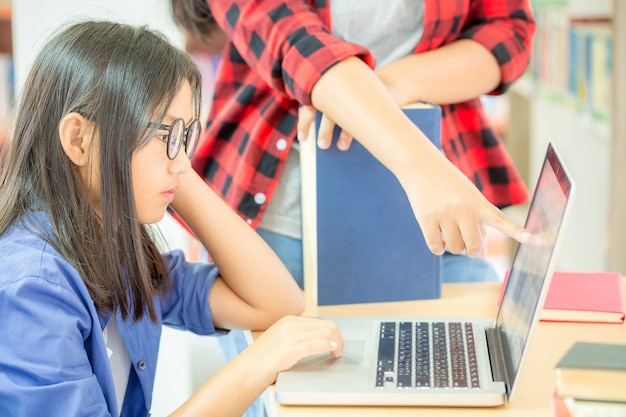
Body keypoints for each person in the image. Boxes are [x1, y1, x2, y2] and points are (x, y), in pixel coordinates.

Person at [0, 20, 344, 417]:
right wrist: (256, 363)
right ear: (78, 139)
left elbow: (277, 303)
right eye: (165, 134)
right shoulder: (32, 288)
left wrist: (172, 164)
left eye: (185, 135)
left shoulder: (118, 254)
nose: (184, 163)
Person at [170, 0, 535, 287]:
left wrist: (388, 84)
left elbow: (510, 31)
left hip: (436, 216)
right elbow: (299, 46)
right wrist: (423, 166)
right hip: (284, 223)